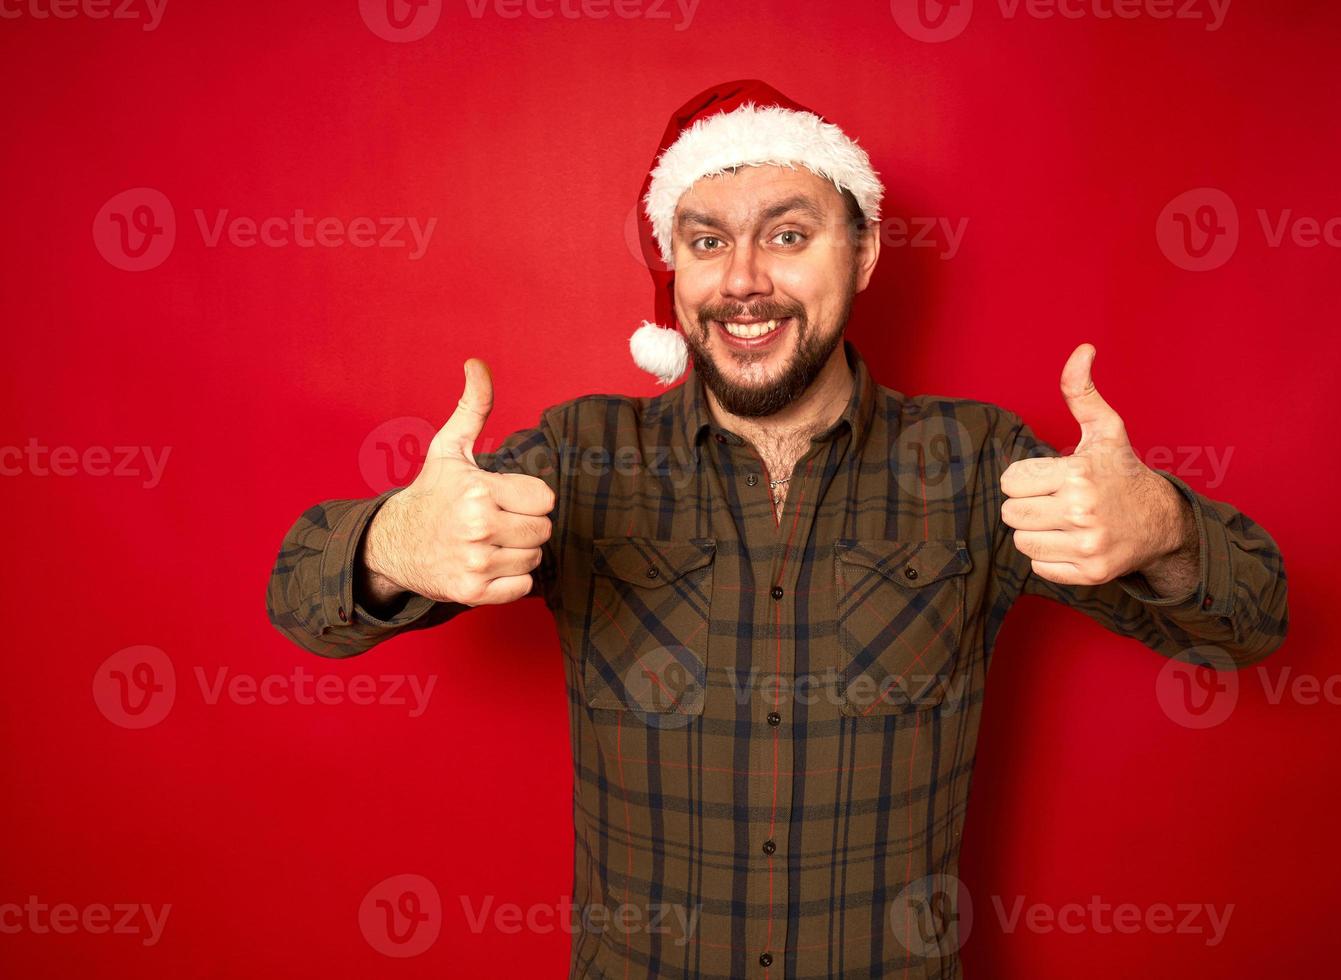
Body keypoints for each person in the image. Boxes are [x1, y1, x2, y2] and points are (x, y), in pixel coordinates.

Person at [266, 79, 1288, 979]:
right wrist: (392, 542)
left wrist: (1165, 529)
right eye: (708, 240)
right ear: (677, 268)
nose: (743, 277)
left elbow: (1252, 622)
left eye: (788, 234)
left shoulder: (978, 463)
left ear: (867, 251)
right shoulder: (582, 454)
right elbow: (300, 598)